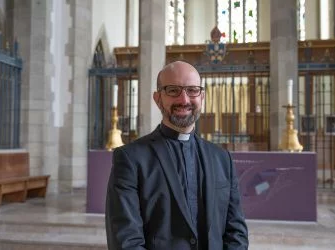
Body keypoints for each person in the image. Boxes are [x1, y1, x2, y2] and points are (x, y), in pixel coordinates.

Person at [105, 61, 249, 250]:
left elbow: (236, 232)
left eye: (192, 90)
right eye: (173, 90)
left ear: (202, 97)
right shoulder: (130, 158)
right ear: (158, 98)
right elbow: (125, 241)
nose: (184, 99)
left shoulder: (222, 159)